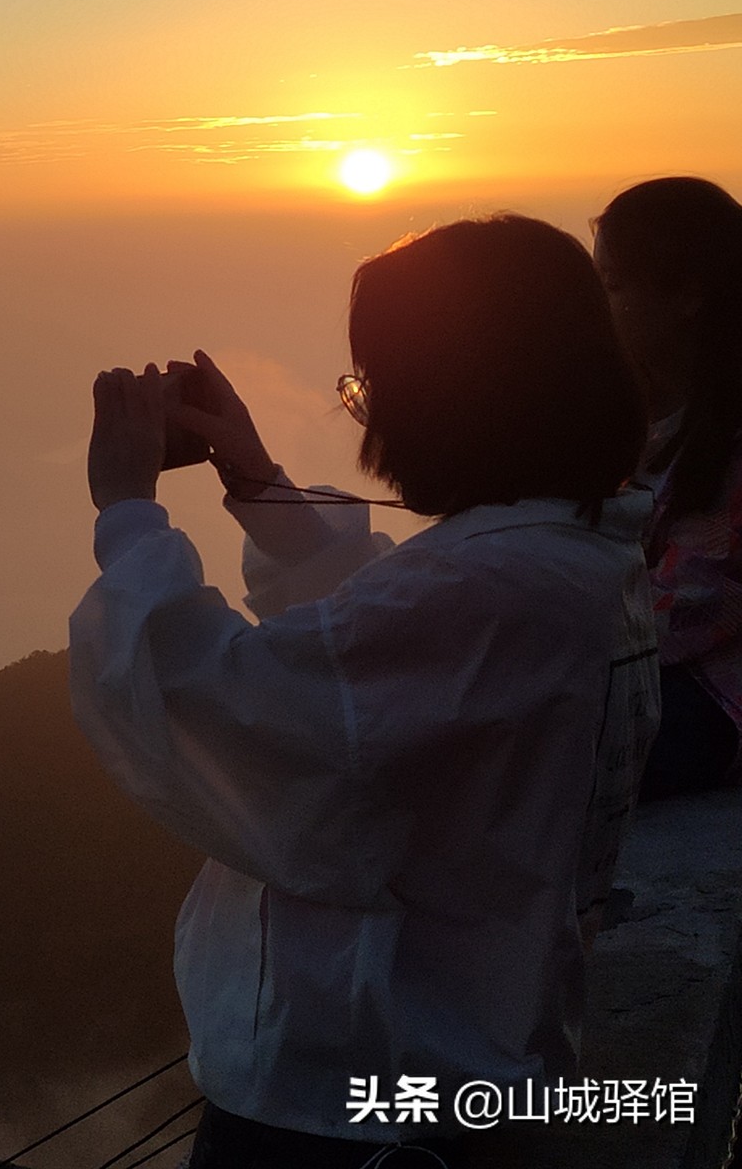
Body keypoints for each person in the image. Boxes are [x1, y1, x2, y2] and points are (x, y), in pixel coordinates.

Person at [70, 215, 657, 1167]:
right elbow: (385, 667)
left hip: (354, 1118)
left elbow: (224, 709)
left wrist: (129, 515)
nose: (368, 409)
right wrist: (254, 479)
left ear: (453, 396)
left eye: (374, 385)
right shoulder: (580, 556)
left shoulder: (490, 587)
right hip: (470, 1077)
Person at [592, 176, 742, 799]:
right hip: (637, 686)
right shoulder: (629, 421)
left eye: (615, 287)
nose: (598, 308)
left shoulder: (731, 443)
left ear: (686, 297)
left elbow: (690, 612)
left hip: (709, 706)